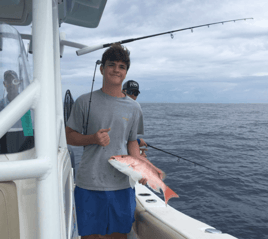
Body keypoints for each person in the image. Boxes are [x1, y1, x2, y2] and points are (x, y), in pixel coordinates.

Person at [66, 44, 147, 239]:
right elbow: (69, 135)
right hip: (89, 184)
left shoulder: (134, 107)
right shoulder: (84, 102)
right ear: (102, 69)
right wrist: (92, 138)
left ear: (126, 72)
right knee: (90, 236)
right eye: (111, 65)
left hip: (121, 184)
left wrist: (140, 166)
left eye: (121, 66)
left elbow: (132, 142)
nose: (116, 70)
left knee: (119, 235)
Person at [122, 80, 147, 149]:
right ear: (123, 91)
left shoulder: (136, 109)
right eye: (130, 92)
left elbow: (130, 136)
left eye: (135, 93)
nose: (133, 95)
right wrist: (138, 142)